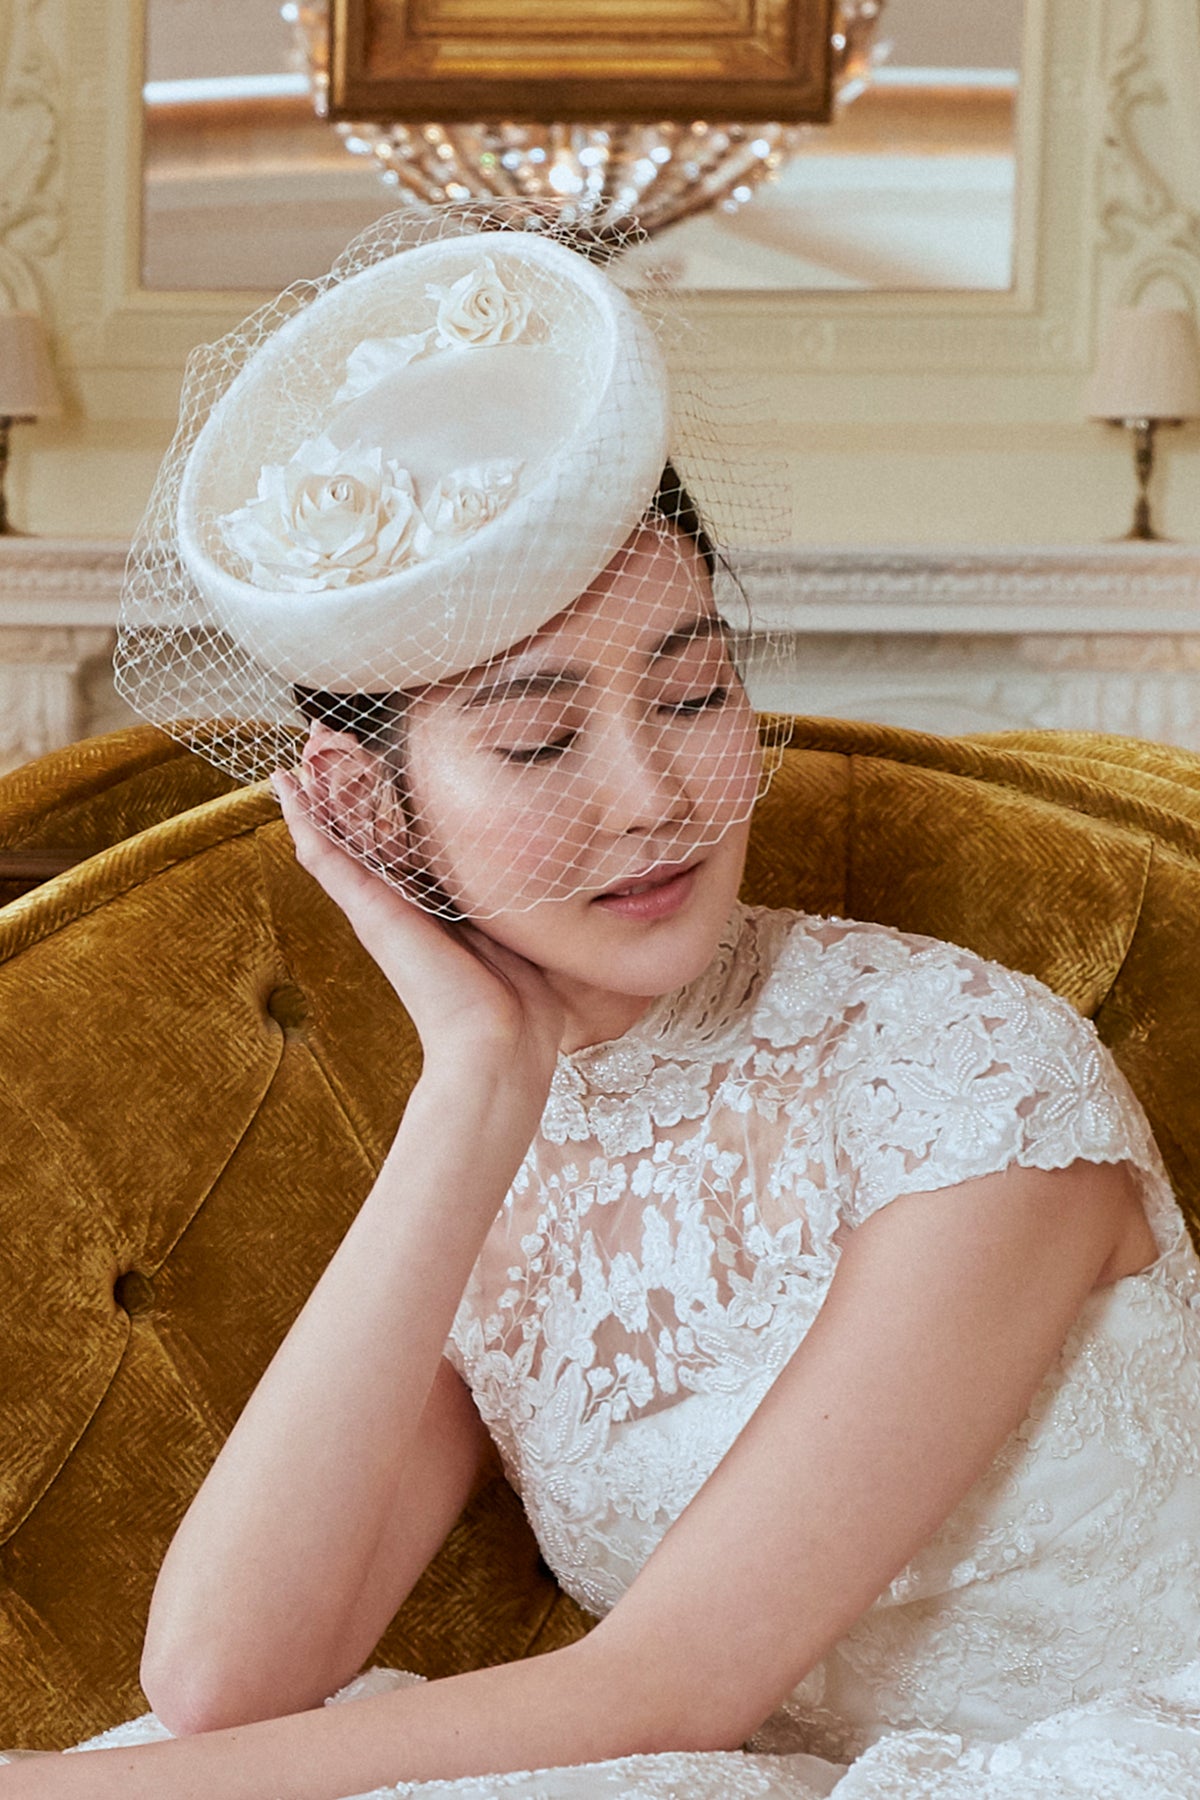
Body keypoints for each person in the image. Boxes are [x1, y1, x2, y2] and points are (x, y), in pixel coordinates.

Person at [4, 210, 1200, 1799]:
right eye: (540, 741)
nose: (652, 798)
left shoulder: (969, 1080)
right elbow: (226, 1678)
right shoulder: (499, 1132)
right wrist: (476, 1085)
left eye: (697, 694)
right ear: (366, 803)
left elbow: (672, 1685)